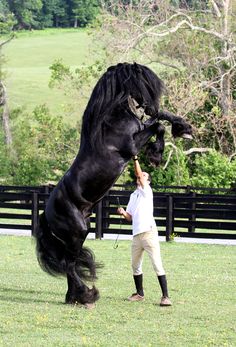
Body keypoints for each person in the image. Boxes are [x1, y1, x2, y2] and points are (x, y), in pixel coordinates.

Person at [117, 156, 172, 306]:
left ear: (147, 181)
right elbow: (130, 217)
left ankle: (165, 296)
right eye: (142, 175)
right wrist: (123, 213)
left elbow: (139, 174)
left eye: (144, 176)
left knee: (157, 264)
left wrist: (135, 159)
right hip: (136, 235)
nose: (142, 176)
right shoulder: (133, 195)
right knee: (135, 265)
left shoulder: (147, 191)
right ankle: (139, 293)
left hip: (148, 233)